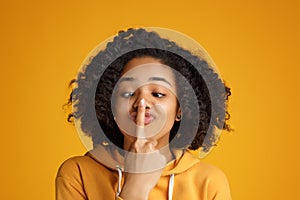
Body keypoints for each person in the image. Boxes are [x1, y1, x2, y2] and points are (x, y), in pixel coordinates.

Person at [56, 28, 232, 200]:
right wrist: (134, 188)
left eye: (158, 94)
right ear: (110, 106)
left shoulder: (209, 182)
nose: (142, 102)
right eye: (127, 93)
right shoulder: (77, 173)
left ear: (180, 109)